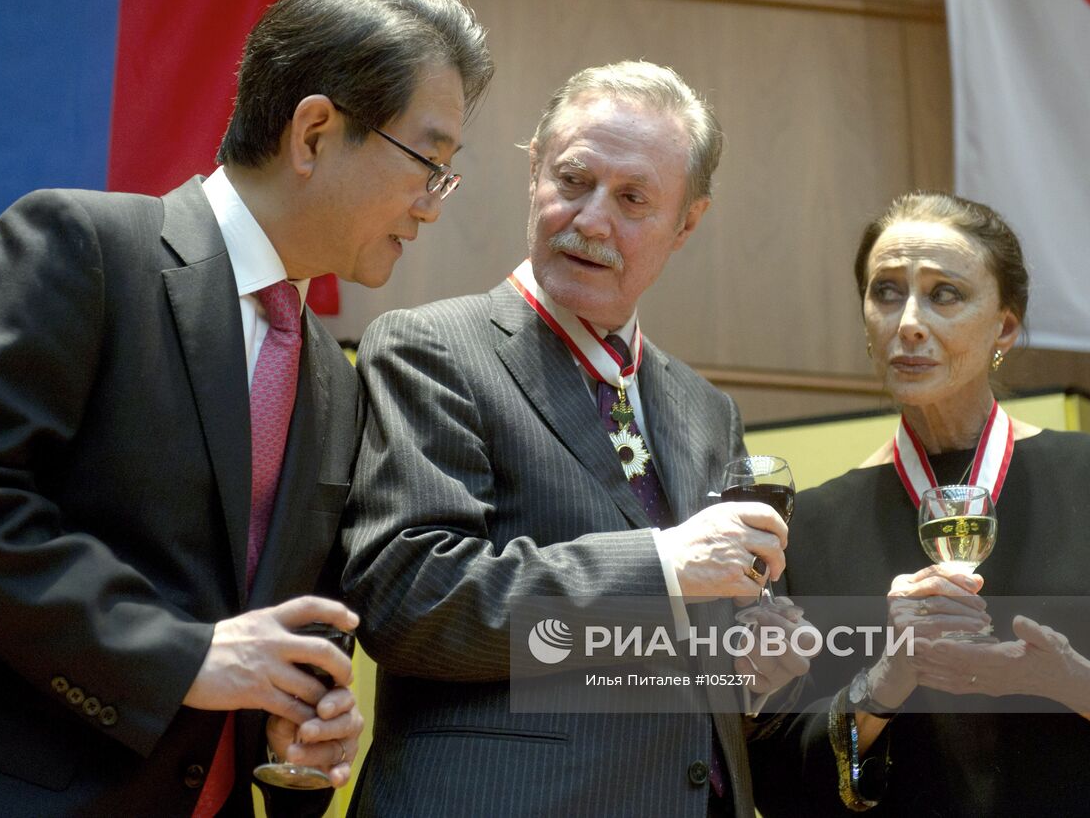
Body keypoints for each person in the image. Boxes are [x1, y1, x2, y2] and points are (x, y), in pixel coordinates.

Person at [0, 0, 493, 817]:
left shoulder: (332, 377)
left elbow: (265, 625)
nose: (433, 205)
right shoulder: (86, 246)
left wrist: (298, 723)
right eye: (427, 161)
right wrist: (178, 657)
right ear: (315, 132)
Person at [339, 61, 810, 817]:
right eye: (572, 180)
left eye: (633, 199)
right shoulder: (430, 348)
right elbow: (410, 599)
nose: (592, 220)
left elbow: (688, 645)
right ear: (534, 172)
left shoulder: (706, 409)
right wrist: (661, 564)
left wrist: (751, 668)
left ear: (688, 222)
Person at [749, 191, 1090, 815]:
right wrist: (884, 685)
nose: (908, 319)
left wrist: (1080, 685)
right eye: (886, 291)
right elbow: (775, 780)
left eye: (945, 294)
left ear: (1005, 326)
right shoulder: (813, 527)